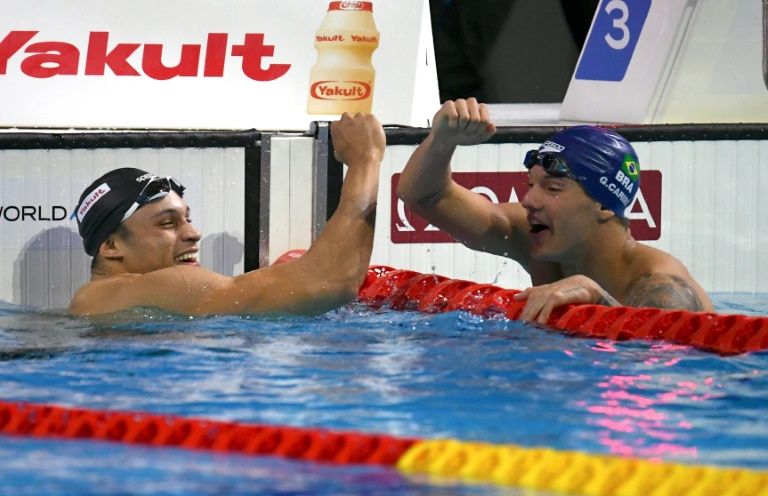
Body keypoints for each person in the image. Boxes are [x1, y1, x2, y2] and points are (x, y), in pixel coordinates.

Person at [397, 98, 713, 324]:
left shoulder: (660, 286)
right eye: (530, 184)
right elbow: (423, 196)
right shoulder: (535, 237)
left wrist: (597, 298)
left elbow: (665, 366)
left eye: (552, 189)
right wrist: (442, 140)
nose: (529, 201)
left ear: (603, 204)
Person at [69, 113, 385, 316]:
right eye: (167, 223)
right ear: (111, 246)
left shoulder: (97, 302)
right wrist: (365, 160)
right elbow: (326, 284)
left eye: (187, 218)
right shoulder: (157, 287)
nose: (193, 233)